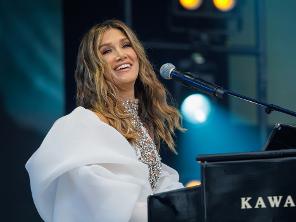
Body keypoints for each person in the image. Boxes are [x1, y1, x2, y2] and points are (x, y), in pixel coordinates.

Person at [25, 19, 185, 222]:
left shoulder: (141, 125)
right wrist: (170, 213)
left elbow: (158, 186)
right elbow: (106, 204)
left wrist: (196, 203)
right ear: (93, 67)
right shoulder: (82, 125)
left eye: (126, 45)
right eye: (106, 51)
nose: (120, 55)